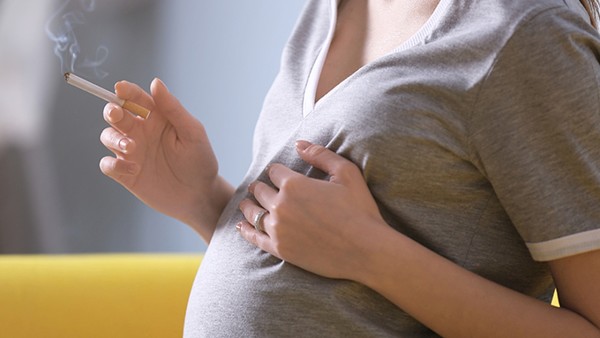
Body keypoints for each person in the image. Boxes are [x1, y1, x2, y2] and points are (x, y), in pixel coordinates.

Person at [99, 0, 600, 336]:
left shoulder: (526, 33)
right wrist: (202, 199)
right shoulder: (327, 10)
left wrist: (371, 254)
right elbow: (315, 265)